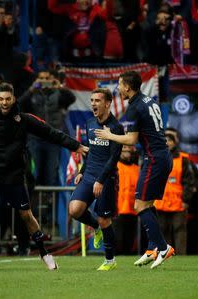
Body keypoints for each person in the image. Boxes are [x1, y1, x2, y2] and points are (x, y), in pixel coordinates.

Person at [0, 82, 88, 270]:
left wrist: (76, 146)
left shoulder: (24, 119)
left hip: (15, 173)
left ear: (14, 98)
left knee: (26, 215)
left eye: (7, 99)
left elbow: (51, 133)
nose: (4, 103)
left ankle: (45, 254)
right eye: (0, 99)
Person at [94, 71, 174, 269]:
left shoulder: (135, 107)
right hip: (162, 156)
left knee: (140, 206)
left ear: (127, 87)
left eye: (120, 85)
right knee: (148, 203)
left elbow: (131, 140)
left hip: (154, 158)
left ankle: (164, 249)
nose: (118, 89)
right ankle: (152, 248)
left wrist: (108, 135)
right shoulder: (149, 100)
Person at [70, 88, 124, 271]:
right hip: (90, 174)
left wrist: (100, 180)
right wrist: (82, 171)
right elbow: (91, 151)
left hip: (106, 177)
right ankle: (95, 228)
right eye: (92, 100)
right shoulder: (90, 123)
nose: (93, 103)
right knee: (74, 210)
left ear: (107, 104)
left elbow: (113, 158)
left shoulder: (116, 128)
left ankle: (110, 260)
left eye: (97, 101)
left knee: (104, 219)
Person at [18, 69, 76, 186]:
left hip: (53, 140)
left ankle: (49, 203)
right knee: (35, 174)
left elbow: (72, 98)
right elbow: (19, 105)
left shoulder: (58, 94)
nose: (44, 81)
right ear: (36, 80)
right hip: (34, 140)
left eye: (47, 78)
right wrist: (31, 90)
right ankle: (34, 203)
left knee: (51, 175)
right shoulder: (32, 94)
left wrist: (60, 87)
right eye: (41, 78)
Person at [154, 128, 198, 255]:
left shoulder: (183, 159)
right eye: (165, 140)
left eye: (170, 140)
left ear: (175, 142)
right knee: (163, 230)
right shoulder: (157, 157)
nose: (167, 143)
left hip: (178, 202)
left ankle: (181, 256)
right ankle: (164, 255)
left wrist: (186, 200)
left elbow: (189, 181)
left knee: (179, 229)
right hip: (160, 201)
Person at [115, 145, 139, 255]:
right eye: (124, 150)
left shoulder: (137, 169)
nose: (126, 152)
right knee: (117, 240)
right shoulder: (115, 166)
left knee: (130, 239)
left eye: (128, 150)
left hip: (133, 209)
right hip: (117, 209)